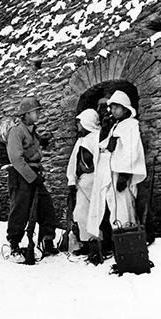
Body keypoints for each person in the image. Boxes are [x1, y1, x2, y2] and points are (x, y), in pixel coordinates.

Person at [87, 90, 147, 260]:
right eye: (111, 107)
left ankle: (126, 240)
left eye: (116, 107)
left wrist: (125, 174)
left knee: (122, 207)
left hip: (119, 173)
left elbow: (131, 151)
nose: (112, 110)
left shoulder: (130, 125)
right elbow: (106, 146)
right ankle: (112, 241)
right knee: (108, 206)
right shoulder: (116, 125)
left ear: (125, 108)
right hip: (109, 172)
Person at [5, 96, 59, 261]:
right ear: (26, 114)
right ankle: (14, 245)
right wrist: (32, 177)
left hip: (34, 175)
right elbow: (16, 159)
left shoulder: (32, 131)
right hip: (22, 176)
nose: (38, 114)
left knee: (46, 208)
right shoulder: (16, 131)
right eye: (35, 111)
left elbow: (31, 147)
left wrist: (42, 142)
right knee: (20, 210)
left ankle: (47, 242)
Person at [66, 109, 101, 257]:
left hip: (95, 182)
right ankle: (86, 243)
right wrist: (72, 180)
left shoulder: (97, 138)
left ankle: (96, 245)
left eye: (80, 123)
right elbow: (73, 162)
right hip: (82, 183)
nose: (78, 126)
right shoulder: (81, 141)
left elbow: (99, 162)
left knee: (95, 214)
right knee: (80, 214)